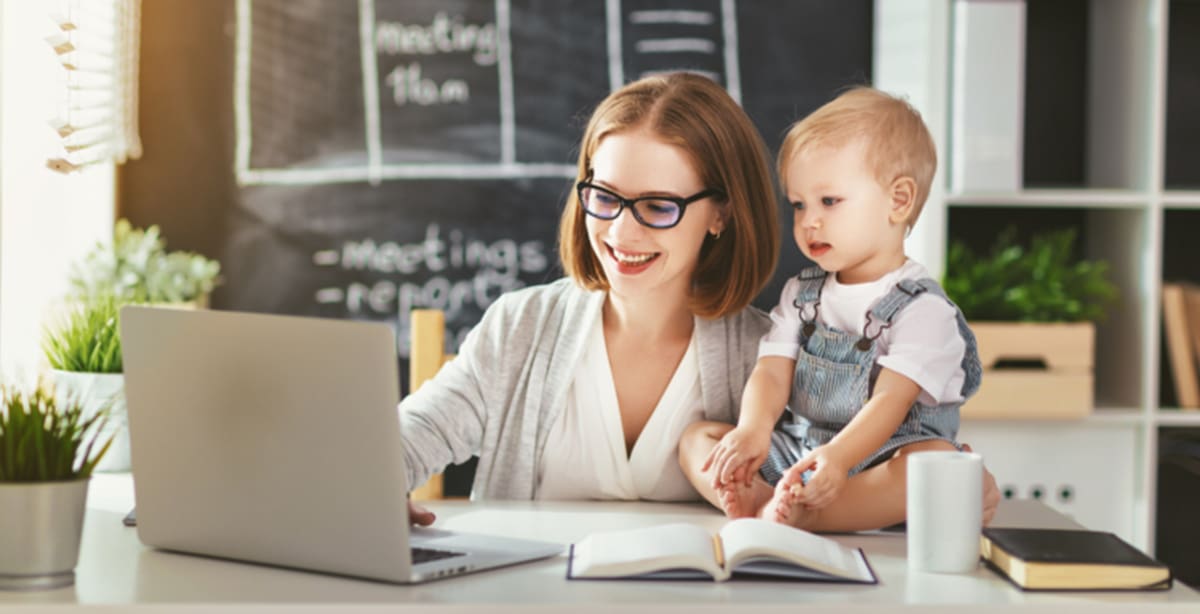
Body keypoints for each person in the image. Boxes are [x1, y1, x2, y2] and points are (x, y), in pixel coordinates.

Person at [400, 72, 780, 522]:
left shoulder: (770, 358)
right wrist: (374, 484)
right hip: (530, 592)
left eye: (658, 206)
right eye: (604, 196)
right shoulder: (522, 325)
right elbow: (414, 433)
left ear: (722, 213)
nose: (620, 232)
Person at [679, 86, 987, 531]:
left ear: (898, 200)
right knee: (697, 439)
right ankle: (771, 498)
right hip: (802, 450)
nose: (809, 222)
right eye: (799, 205)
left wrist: (839, 460)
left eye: (829, 202)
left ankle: (808, 515)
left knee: (936, 462)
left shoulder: (924, 311)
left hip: (878, 459)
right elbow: (771, 371)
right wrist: (753, 430)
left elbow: (890, 402)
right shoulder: (802, 294)